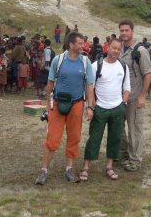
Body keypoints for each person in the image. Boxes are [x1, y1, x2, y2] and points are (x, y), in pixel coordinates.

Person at [35, 32, 95, 186]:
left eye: (83, 43)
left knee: (74, 137)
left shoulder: (86, 62)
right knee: (53, 138)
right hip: (58, 103)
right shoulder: (58, 60)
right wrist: (48, 104)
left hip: (77, 103)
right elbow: (50, 84)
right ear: (71, 44)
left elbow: (89, 86)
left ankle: (69, 169)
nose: (83, 46)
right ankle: (43, 170)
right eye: (80, 43)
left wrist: (90, 106)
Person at [80, 38, 131, 181]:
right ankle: (85, 167)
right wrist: (91, 105)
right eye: (113, 48)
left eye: (118, 49)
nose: (116, 51)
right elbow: (90, 87)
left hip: (117, 108)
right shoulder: (97, 66)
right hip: (100, 108)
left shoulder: (123, 66)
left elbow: (127, 87)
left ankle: (109, 166)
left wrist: (123, 104)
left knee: (115, 139)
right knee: (94, 138)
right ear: (108, 48)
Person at [118, 19, 151, 172]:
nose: (124, 33)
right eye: (122, 30)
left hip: (134, 97)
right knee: (118, 128)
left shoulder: (140, 51)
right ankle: (123, 155)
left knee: (134, 129)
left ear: (132, 31)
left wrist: (142, 96)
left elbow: (148, 74)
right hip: (119, 98)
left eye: (126, 30)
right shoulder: (118, 49)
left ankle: (135, 159)